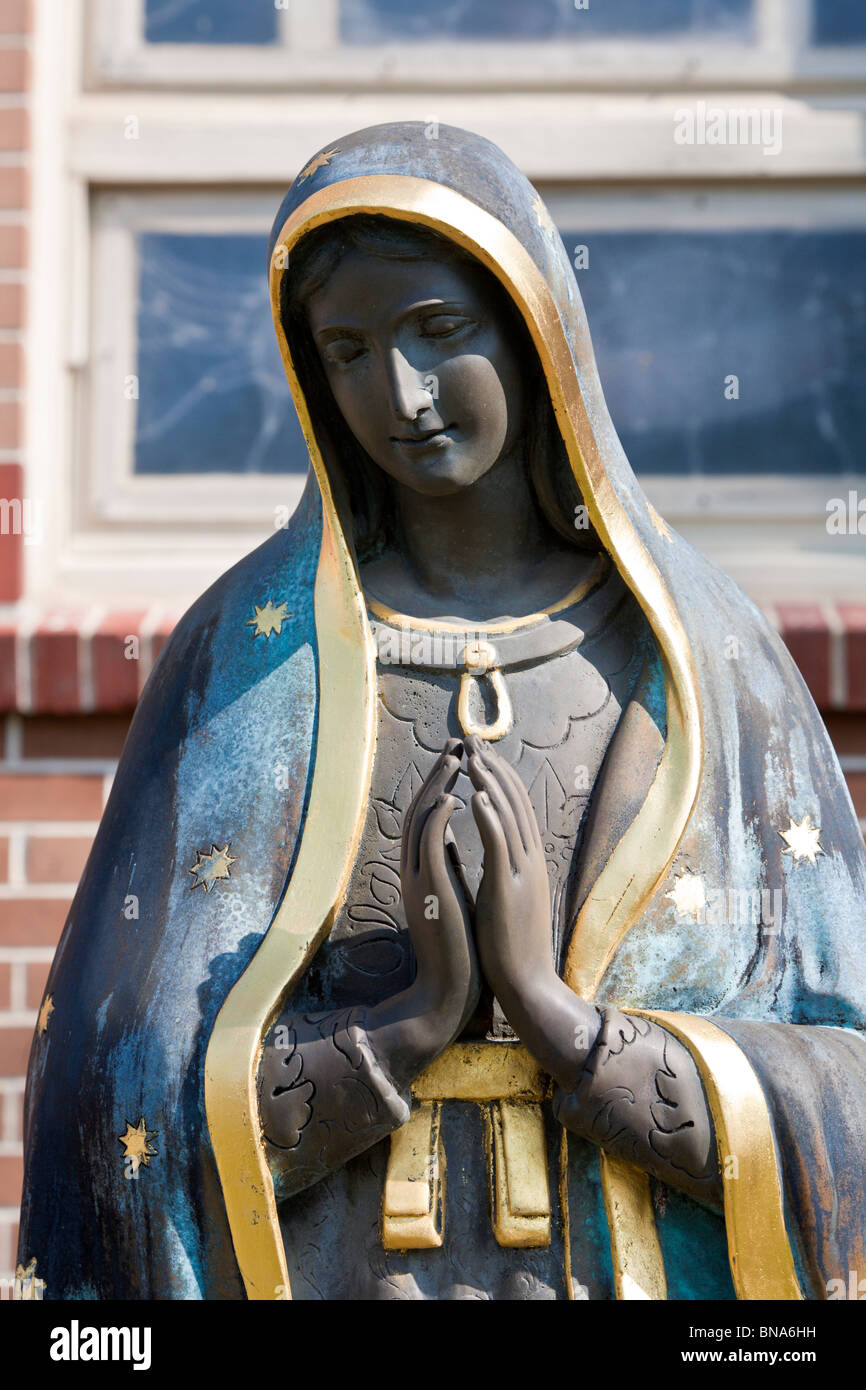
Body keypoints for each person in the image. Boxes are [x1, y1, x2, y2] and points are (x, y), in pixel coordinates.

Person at [18, 123, 866, 1301]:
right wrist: (406, 1028)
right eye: (349, 350)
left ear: (532, 333)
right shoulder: (246, 661)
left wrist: (562, 1026)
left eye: (439, 332)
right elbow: (116, 1094)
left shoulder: (706, 661)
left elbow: (844, 1067)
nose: (400, 396)